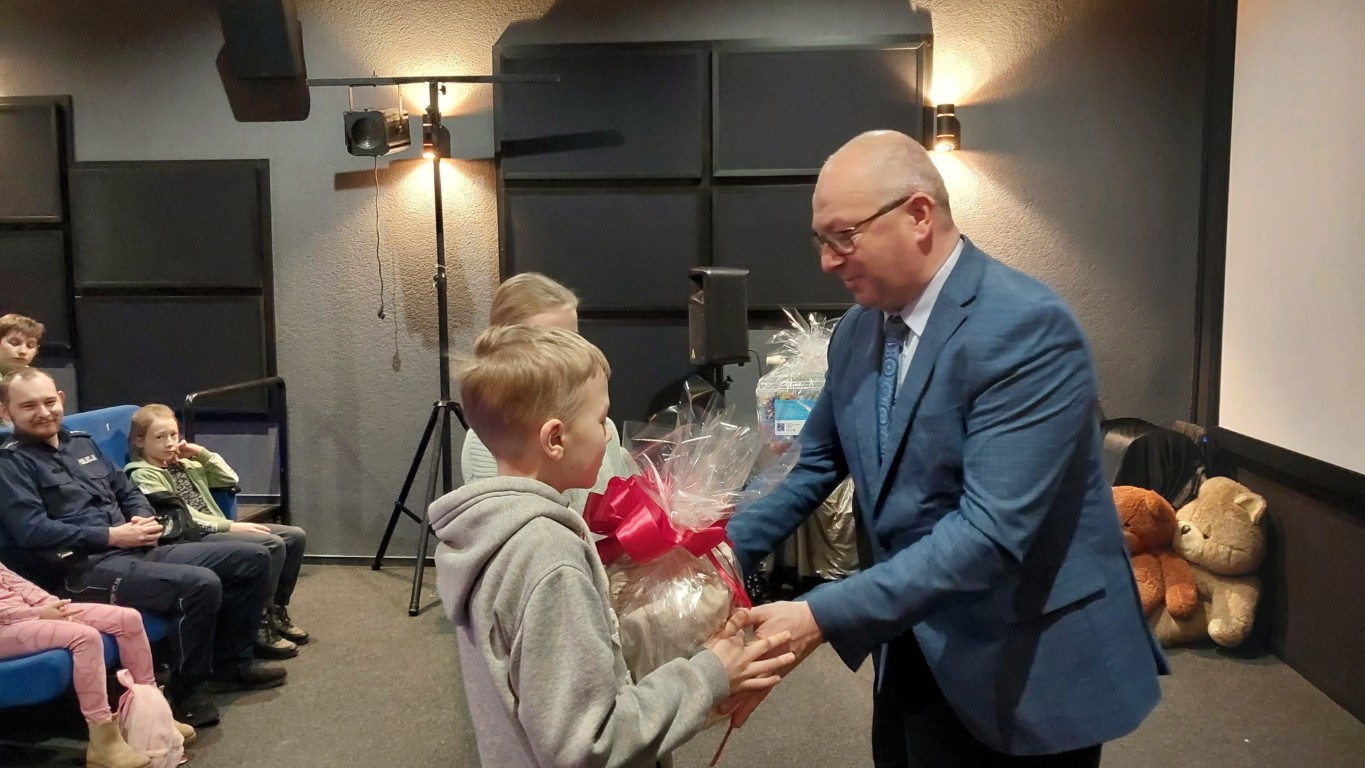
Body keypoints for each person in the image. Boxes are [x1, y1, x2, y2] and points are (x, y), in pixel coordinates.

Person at [724, 130, 1167, 767]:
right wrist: (719, 553)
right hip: (909, 638)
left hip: (1024, 656)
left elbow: (989, 534)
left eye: (843, 236)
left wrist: (817, 614)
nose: (827, 261)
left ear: (918, 216)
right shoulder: (857, 331)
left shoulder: (1026, 327)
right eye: (820, 240)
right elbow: (814, 462)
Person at [431, 324, 792, 768]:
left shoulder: (489, 532)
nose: (607, 434)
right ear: (555, 439)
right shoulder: (549, 557)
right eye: (600, 419)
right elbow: (588, 743)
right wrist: (710, 673)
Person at [0, 369, 286, 728]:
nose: (43, 412)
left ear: (61, 399)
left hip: (134, 547)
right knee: (198, 584)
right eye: (28, 406)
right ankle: (187, 694)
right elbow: (31, 531)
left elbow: (128, 491)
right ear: (6, 411)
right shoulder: (10, 464)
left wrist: (142, 518)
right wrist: (111, 536)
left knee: (251, 557)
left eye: (48, 402)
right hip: (81, 568)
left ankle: (232, 665)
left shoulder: (82, 444)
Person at [124, 403, 310, 659]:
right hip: (191, 535)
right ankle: (259, 620)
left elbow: (230, 479)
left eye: (174, 435)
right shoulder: (142, 475)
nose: (169, 443)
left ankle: (276, 609)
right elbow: (182, 516)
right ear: (139, 441)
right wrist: (231, 525)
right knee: (271, 543)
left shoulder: (185, 464)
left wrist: (201, 453)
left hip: (216, 526)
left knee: (294, 536)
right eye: (159, 437)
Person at [460, 272, 634, 512]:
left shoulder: (604, 431)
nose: (568, 352)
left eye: (573, 339)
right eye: (548, 341)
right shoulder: (491, 444)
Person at [0, 560, 196, 768]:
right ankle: (103, 742)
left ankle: (153, 715)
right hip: (6, 626)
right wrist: (37, 614)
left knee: (128, 618)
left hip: (28, 615)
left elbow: (19, 585)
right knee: (85, 637)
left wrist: (56, 608)